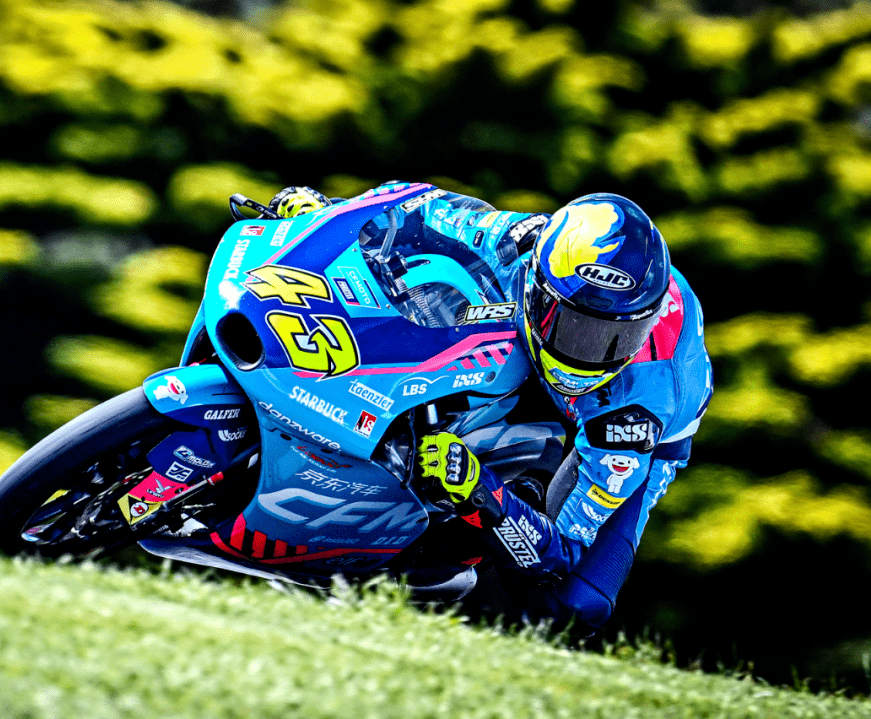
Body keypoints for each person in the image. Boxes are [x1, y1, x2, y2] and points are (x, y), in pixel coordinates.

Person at [266, 183, 713, 633]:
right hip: (526, 342)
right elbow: (415, 209)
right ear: (538, 284)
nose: (590, 354)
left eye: (616, 338)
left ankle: (408, 579)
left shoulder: (638, 413)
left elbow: (560, 554)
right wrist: (327, 217)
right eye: (574, 327)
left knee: (569, 604)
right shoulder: (519, 241)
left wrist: (481, 489)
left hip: (619, 422)